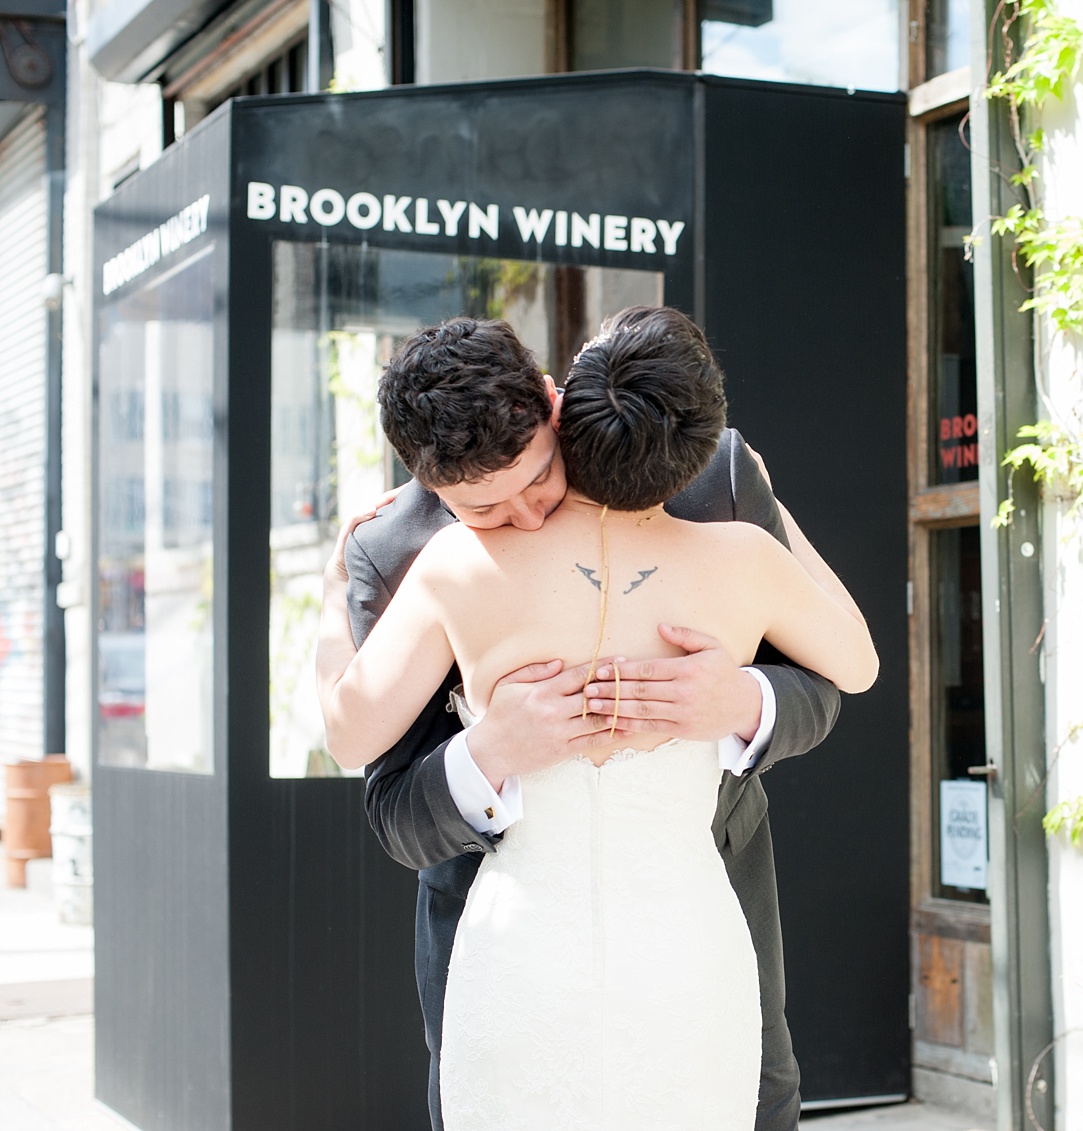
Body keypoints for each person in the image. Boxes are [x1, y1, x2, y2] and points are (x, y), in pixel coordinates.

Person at [331, 313, 853, 1130]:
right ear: (430, 483)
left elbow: (826, 679)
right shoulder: (393, 548)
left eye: (538, 478)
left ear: (552, 402)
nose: (529, 518)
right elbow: (394, 811)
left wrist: (743, 702)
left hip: (703, 907)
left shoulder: (709, 468)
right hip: (504, 942)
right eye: (485, 509)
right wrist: (491, 748)